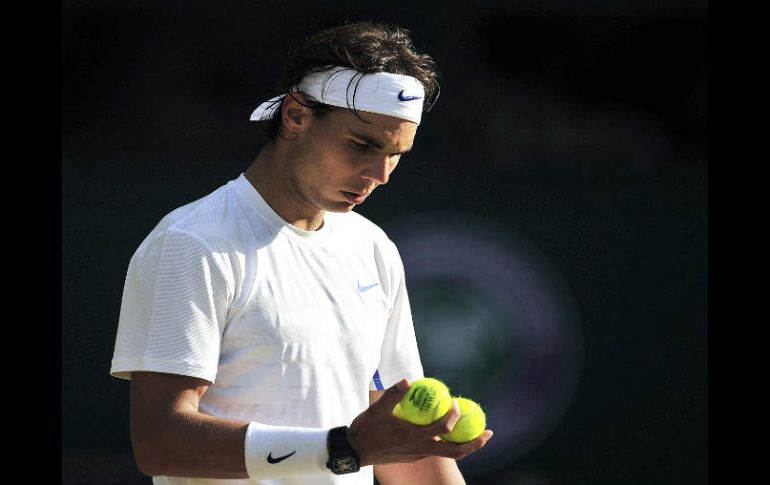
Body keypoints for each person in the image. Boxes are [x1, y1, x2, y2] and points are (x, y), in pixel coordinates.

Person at [110, 21, 493, 485]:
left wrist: (358, 447)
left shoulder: (372, 249)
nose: (380, 173)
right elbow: (161, 442)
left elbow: (400, 447)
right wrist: (343, 449)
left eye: (396, 155)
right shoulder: (191, 245)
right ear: (295, 116)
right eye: (362, 145)